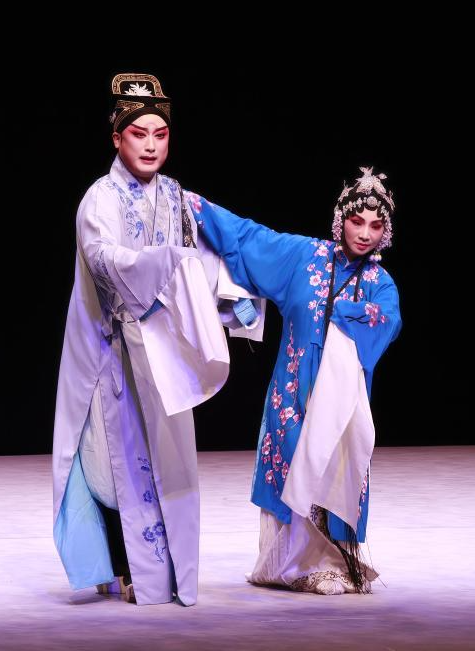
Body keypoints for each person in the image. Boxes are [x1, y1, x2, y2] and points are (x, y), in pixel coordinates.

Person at [51, 73, 255, 606]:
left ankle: (169, 574)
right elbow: (102, 258)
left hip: (165, 354)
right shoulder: (99, 199)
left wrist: (230, 296)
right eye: (138, 133)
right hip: (112, 352)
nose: (149, 145)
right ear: (116, 137)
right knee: (112, 465)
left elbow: (201, 257)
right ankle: (123, 568)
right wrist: (162, 264)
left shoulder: (176, 196)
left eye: (159, 135)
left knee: (171, 460)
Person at [186, 167, 402, 594]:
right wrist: (193, 206)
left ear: (386, 232)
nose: (364, 233)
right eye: (356, 221)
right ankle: (292, 565)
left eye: (376, 225)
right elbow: (249, 238)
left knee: (333, 468)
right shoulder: (304, 257)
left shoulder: (380, 283)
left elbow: (389, 320)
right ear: (340, 219)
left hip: (341, 398)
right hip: (292, 394)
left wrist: (349, 313)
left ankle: (333, 562)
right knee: (292, 468)